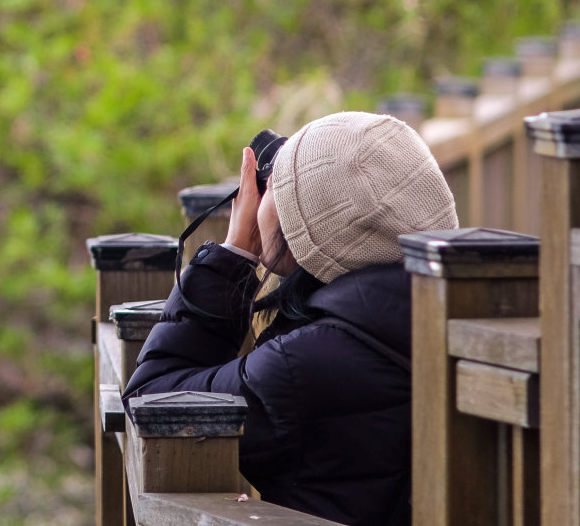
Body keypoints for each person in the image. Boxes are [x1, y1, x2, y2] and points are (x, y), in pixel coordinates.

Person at [123, 111, 459, 526]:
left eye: (278, 191)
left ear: (311, 232)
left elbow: (153, 404)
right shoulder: (446, 318)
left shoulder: (308, 365)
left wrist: (232, 256)